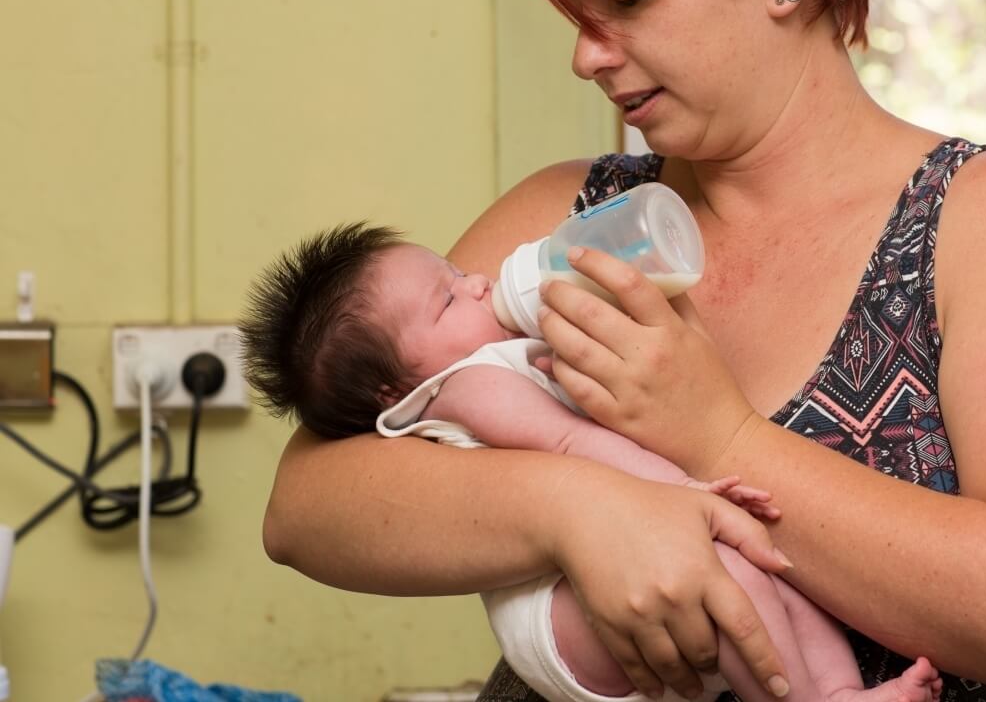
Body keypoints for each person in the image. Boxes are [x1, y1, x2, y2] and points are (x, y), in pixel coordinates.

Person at [261, 0, 986, 702]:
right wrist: (576, 507)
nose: (586, 56)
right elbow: (305, 506)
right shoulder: (565, 213)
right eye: (576, 11)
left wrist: (720, 440)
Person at [238, 222, 943, 702]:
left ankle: (842, 693)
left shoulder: (489, 348)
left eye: (458, 272)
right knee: (723, 573)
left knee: (783, 583)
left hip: (621, 557)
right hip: (554, 619)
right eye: (449, 296)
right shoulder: (465, 386)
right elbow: (572, 445)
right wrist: (696, 495)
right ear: (398, 388)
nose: (481, 282)